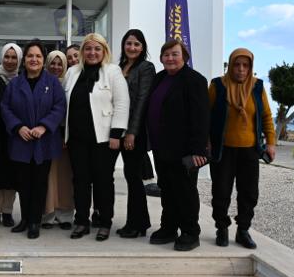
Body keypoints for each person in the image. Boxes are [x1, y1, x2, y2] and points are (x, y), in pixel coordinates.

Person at [63, 33, 129, 241]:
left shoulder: (112, 71)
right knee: (80, 181)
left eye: (97, 49)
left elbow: (122, 103)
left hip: (104, 139)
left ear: (104, 51)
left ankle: (105, 221)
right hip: (77, 138)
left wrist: (116, 134)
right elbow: (64, 103)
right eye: (88, 49)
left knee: (103, 182)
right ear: (82, 52)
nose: (92, 53)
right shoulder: (72, 72)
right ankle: (82, 221)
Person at [209, 47, 277, 249]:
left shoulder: (257, 87)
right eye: (237, 65)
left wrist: (271, 143)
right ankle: (222, 228)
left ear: (250, 67)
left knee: (249, 193)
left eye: (245, 65)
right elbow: (206, 115)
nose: (240, 69)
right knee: (221, 192)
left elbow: (266, 116)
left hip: (250, 150)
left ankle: (243, 230)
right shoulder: (217, 85)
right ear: (230, 66)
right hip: (223, 150)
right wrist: (206, 142)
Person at [146, 40, 208, 252]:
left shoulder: (195, 80)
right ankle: (169, 227)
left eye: (175, 54)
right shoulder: (159, 78)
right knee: (167, 189)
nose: (170, 58)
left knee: (185, 192)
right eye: (166, 55)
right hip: (161, 147)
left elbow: (201, 117)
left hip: (184, 150)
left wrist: (198, 149)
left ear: (184, 57)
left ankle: (190, 232)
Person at [0, 40, 66, 239]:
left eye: (38, 56)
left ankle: (35, 221)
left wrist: (44, 126)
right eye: (30, 56)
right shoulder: (15, 83)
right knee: (23, 183)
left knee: (39, 183)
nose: (34, 59)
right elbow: (5, 107)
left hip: (44, 142)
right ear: (24, 59)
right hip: (21, 141)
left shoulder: (52, 83)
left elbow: (60, 107)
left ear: (43, 60)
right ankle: (25, 219)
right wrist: (18, 127)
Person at [116, 29, 155, 238]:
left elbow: (142, 100)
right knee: (130, 176)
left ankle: (136, 224)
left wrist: (132, 133)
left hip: (135, 132)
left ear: (142, 47)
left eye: (137, 44)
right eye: (129, 43)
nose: (132, 47)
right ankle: (140, 222)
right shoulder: (120, 67)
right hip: (119, 129)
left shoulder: (146, 68)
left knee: (133, 176)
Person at [0, 42, 22, 227]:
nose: (10, 61)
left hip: (16, 135)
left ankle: (7, 211)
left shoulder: (22, 79)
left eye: (14, 57)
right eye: (7, 57)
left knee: (12, 175)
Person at [42, 50, 74, 230]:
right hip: (47, 135)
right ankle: (48, 214)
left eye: (59, 63)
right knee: (48, 177)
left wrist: (65, 135)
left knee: (64, 178)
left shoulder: (70, 82)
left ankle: (65, 215)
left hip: (66, 137)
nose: (56, 67)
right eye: (52, 63)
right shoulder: (42, 82)